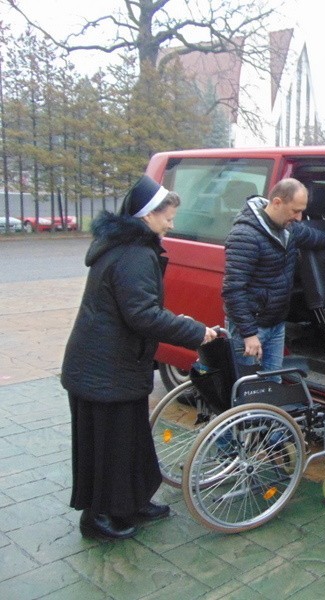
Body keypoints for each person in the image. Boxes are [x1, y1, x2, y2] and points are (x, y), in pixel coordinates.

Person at [61, 175, 217, 541]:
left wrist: (180, 322)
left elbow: (137, 310)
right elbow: (142, 315)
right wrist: (196, 332)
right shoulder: (134, 254)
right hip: (105, 368)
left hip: (112, 364)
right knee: (106, 445)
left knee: (130, 439)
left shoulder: (126, 246)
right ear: (148, 215)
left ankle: (132, 502)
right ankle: (96, 518)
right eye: (168, 217)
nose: (172, 224)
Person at [222, 178, 325, 375]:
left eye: (302, 211)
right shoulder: (245, 235)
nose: (299, 217)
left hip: (276, 324)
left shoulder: (289, 228)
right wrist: (249, 334)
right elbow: (233, 290)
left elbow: (314, 238)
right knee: (245, 389)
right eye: (295, 211)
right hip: (252, 328)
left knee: (273, 385)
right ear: (277, 203)